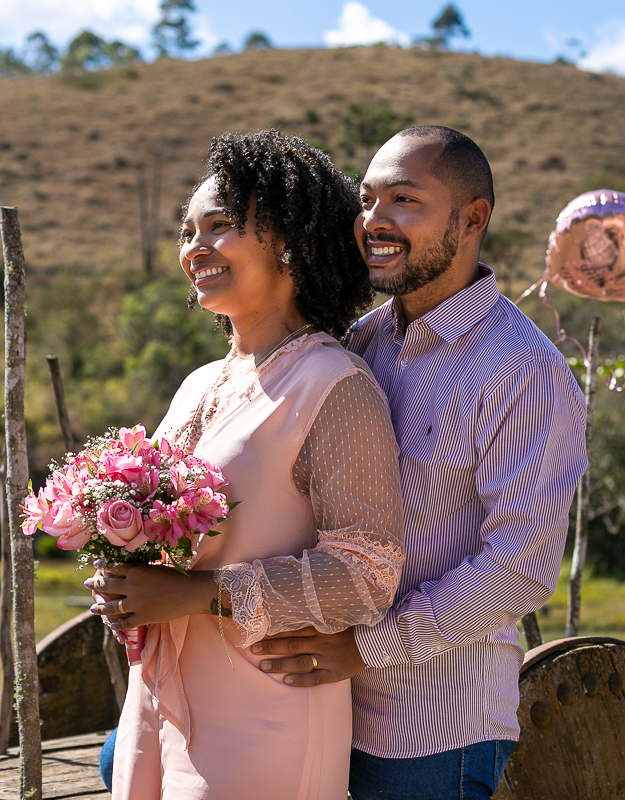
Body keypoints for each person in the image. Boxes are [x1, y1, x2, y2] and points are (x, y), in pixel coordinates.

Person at [252, 126, 588, 800]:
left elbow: (518, 569)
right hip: (324, 708)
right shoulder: (362, 342)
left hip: (435, 733)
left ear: (472, 219)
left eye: (404, 200)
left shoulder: (522, 369)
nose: (375, 221)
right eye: (367, 200)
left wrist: (367, 647)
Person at [86, 130, 405, 800]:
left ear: (288, 240)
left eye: (219, 226)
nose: (194, 248)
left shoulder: (336, 385)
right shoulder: (197, 384)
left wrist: (196, 594)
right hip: (159, 697)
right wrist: (123, 577)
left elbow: (367, 573)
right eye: (187, 232)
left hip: (267, 709)